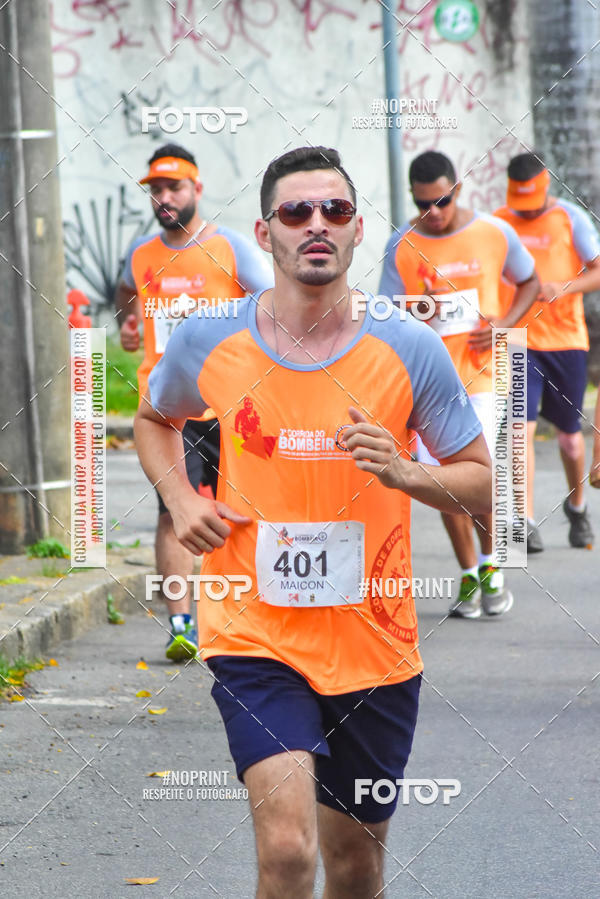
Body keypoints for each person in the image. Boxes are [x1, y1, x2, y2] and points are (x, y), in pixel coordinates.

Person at [134, 146, 492, 897]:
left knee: (355, 865)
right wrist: (182, 498)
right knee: (289, 851)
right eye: (296, 212)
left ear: (360, 229)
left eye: (334, 210)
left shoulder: (409, 347)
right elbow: (154, 419)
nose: (316, 225)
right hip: (254, 633)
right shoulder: (211, 337)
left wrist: (404, 471)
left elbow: (489, 487)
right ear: (266, 235)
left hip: (374, 645)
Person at [115, 143, 273, 661]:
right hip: (166, 411)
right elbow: (125, 292)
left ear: (197, 190)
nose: (164, 197)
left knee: (242, 511)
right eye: (156, 189)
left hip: (230, 406)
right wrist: (129, 326)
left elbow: (275, 303)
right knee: (173, 513)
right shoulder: (141, 255)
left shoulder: (230, 249)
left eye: (174, 187)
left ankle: (247, 613)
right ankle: (181, 625)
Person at [379, 150, 539, 619]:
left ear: (459, 190)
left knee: (483, 479)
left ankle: (493, 568)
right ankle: (470, 574)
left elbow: (529, 281)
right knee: (445, 485)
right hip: (431, 383)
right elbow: (387, 316)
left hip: (490, 373)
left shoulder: (494, 232)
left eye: (443, 201)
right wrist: (417, 309)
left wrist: (505, 324)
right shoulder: (401, 244)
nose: (435, 212)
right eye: (425, 203)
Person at [494, 152, 600, 552]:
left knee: (570, 441)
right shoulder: (499, 222)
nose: (526, 210)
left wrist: (563, 287)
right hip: (519, 341)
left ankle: (577, 507)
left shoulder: (570, 218)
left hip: (567, 342)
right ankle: (524, 520)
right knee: (520, 430)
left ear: (545, 185)